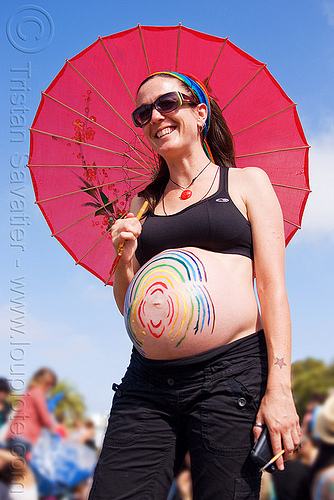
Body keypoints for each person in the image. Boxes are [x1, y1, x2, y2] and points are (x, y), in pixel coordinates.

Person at [88, 71, 300, 499]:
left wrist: (280, 389)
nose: (155, 117)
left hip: (231, 376)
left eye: (167, 103)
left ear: (200, 113)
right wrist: (124, 255)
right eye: (143, 112)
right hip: (148, 381)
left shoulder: (246, 183)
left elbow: (273, 289)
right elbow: (130, 305)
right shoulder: (140, 204)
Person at [6, 367, 57, 458]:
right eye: (48, 383)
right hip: (24, 437)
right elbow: (45, 419)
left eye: (51, 385)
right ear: (40, 380)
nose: (49, 387)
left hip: (14, 436)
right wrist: (55, 431)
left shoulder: (29, 393)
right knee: (22, 470)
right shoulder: (38, 393)